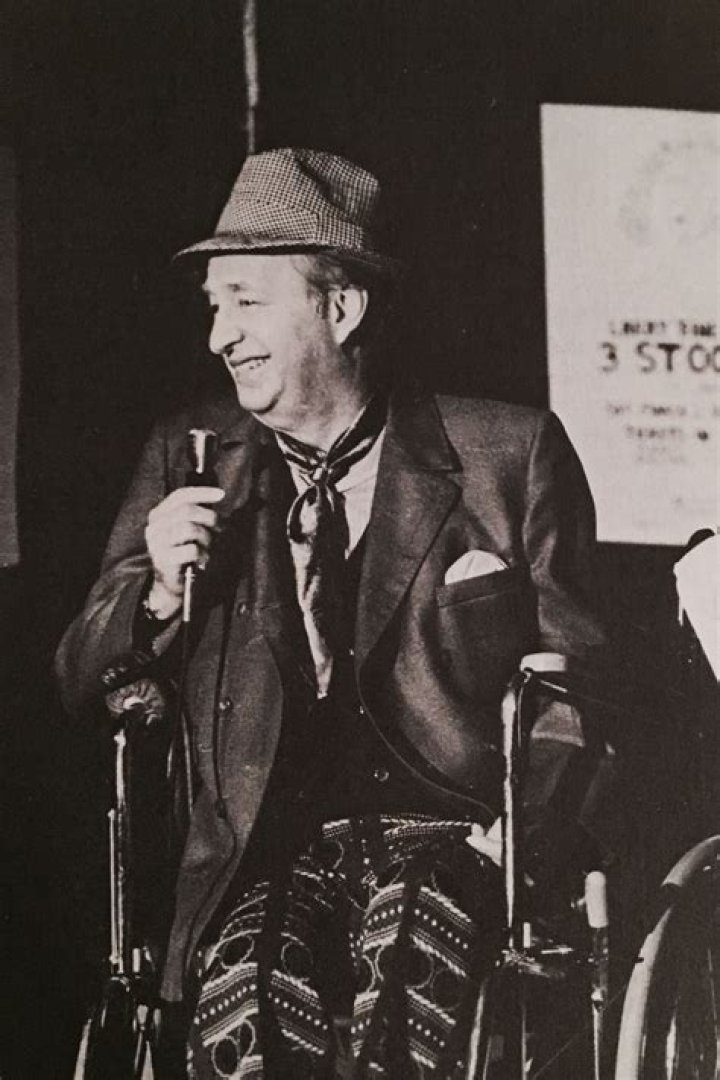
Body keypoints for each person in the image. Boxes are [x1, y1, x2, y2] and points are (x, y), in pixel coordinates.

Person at [56, 148, 606, 1079]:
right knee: (248, 987)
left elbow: (578, 686)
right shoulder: (192, 456)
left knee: (412, 948)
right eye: (214, 307)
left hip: (462, 834)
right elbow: (78, 676)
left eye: (245, 301)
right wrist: (156, 591)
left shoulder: (506, 454)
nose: (220, 337)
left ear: (341, 308)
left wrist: (519, 835)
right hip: (265, 849)